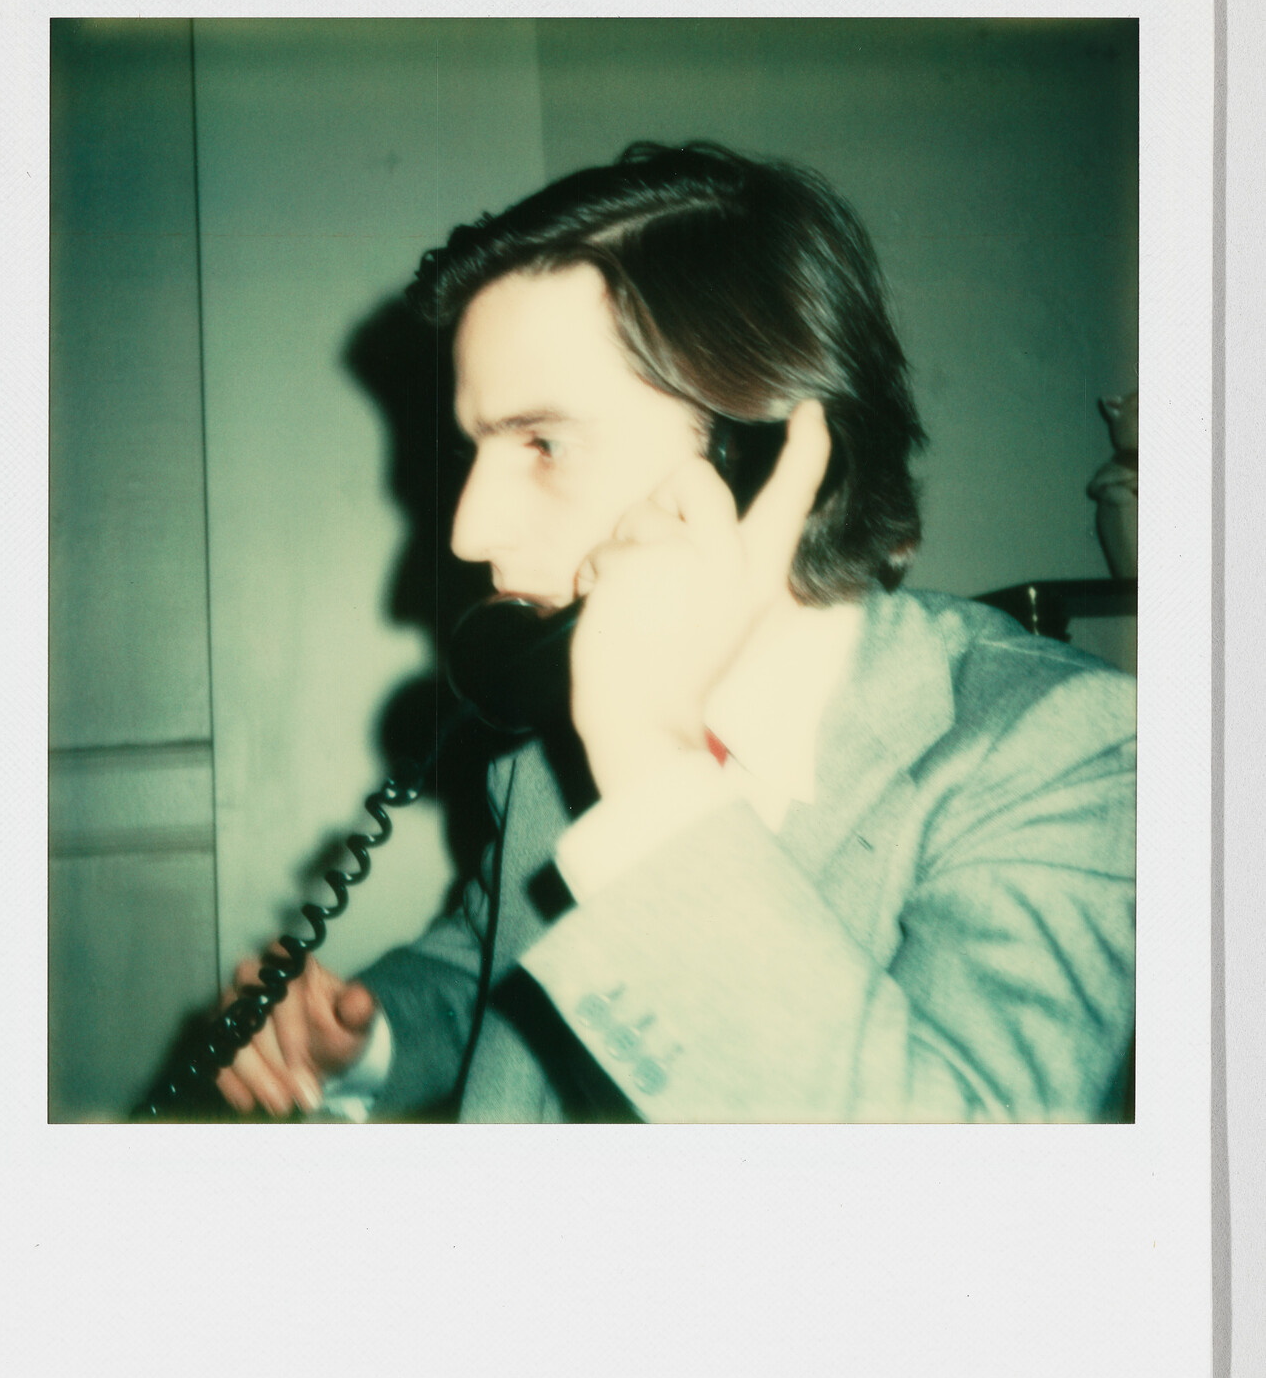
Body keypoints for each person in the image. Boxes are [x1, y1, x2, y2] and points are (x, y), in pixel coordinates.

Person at [215, 142, 1136, 1124]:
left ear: (766, 460)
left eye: (542, 443)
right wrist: (366, 1035)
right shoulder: (546, 747)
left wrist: (651, 771)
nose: (467, 529)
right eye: (472, 448)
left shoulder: (1064, 754)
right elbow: (498, 960)